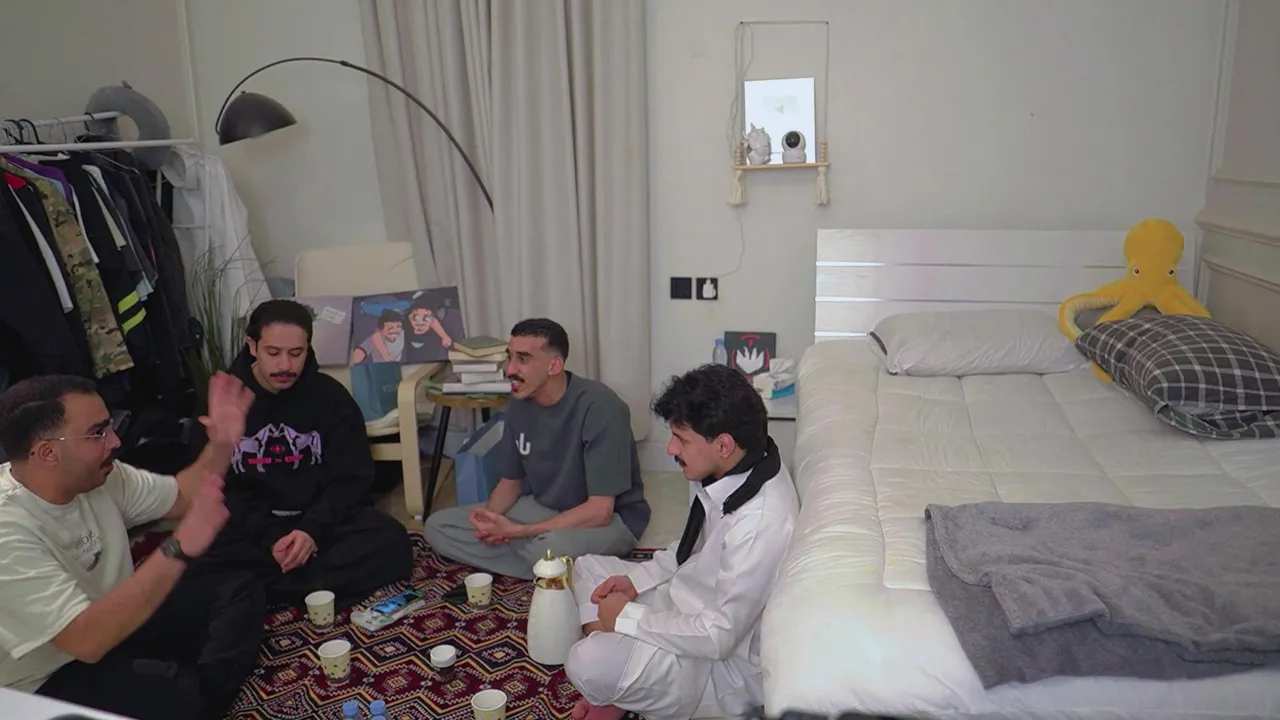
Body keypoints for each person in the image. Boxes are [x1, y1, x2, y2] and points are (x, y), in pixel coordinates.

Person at [0, 371, 263, 720]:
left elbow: (184, 495)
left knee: (237, 592)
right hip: (49, 677)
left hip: (120, 625)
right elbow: (86, 641)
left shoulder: (101, 475)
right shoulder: (7, 530)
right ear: (48, 452)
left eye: (109, 426)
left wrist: (224, 443)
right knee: (170, 692)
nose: (115, 441)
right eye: (97, 432)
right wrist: (179, 546)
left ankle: (195, 698)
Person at [564, 364, 799, 720]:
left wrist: (628, 617)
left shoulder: (759, 523)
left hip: (711, 665)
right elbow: (689, 549)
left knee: (585, 662)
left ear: (723, 444)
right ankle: (620, 682)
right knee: (585, 566)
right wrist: (636, 582)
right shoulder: (738, 466)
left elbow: (717, 638)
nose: (671, 448)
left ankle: (617, 686)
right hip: (683, 604)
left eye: (682, 440)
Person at [200, 299, 413, 610]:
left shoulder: (330, 397)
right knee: (198, 555)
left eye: (296, 353)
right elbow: (216, 486)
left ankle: (269, 589)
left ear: (308, 348)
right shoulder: (224, 399)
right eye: (273, 353)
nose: (285, 365)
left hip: (317, 522)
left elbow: (351, 478)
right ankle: (309, 585)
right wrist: (270, 537)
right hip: (252, 527)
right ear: (252, 346)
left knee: (392, 542)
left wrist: (311, 530)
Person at [424, 318, 650, 579]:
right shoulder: (519, 401)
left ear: (554, 365)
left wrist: (518, 532)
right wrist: (490, 521)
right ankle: (550, 566)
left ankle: (542, 558)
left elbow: (600, 511)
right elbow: (511, 483)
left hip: (610, 520)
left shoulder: (602, 408)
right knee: (438, 527)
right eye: (509, 357)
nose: (510, 369)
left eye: (523, 359)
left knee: (547, 550)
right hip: (546, 508)